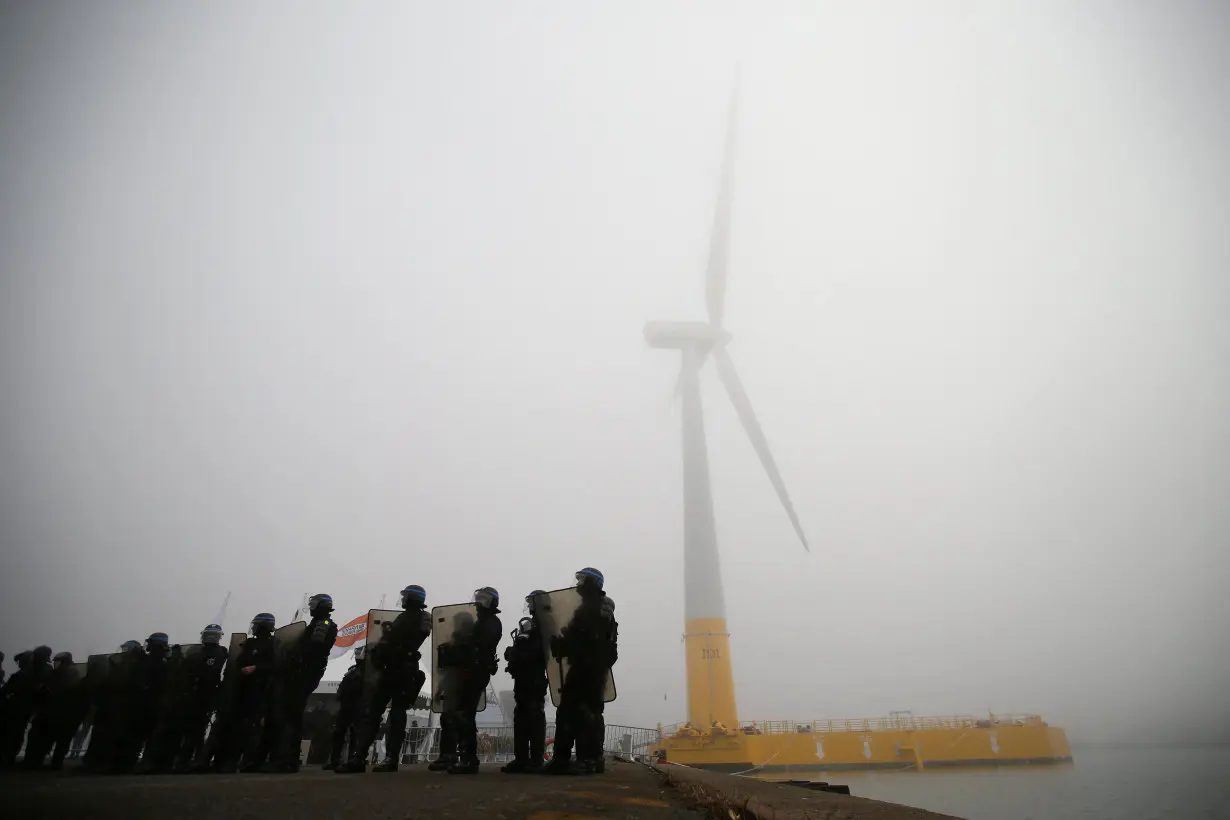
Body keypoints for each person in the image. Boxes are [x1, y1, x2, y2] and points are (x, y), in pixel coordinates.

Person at [336, 585, 430, 774]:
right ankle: (359, 756)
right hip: (391, 669)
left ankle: (390, 758)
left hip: (403, 670)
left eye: (405, 596)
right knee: (374, 714)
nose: (402, 599)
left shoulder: (421, 618)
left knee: (396, 715)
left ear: (413, 598)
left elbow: (407, 638)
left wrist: (388, 638)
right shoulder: (404, 617)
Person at [545, 568, 616, 775]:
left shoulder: (600, 608)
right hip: (580, 667)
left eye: (582, 580)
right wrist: (561, 644)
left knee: (587, 712)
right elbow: (576, 637)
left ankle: (589, 759)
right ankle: (562, 758)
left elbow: (589, 638)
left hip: (591, 670)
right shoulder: (584, 609)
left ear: (593, 583)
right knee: (568, 711)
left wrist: (567, 642)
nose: (578, 584)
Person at [261, 593, 337, 772]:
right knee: (290, 714)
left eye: (313, 604)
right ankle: (286, 758)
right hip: (303, 672)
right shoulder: (317, 624)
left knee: (291, 715)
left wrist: (294, 657)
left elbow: (313, 649)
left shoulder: (322, 624)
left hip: (304, 673)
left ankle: (287, 760)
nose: (311, 607)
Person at [205, 613, 275, 772]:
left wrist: (256, 668)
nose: (254, 628)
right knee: (233, 726)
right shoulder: (249, 643)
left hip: (258, 691)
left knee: (252, 728)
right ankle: (226, 761)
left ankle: (248, 762)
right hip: (240, 689)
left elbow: (275, 666)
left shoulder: (272, 645)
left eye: (257, 625)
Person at [443, 587, 501, 775]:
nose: (478, 602)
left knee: (466, 715)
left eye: (483, 599)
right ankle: (466, 757)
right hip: (471, 670)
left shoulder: (491, 622)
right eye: (478, 598)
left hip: (477, 671)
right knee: (463, 714)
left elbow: (481, 645)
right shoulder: (483, 622)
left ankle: (469, 759)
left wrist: (464, 645)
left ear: (492, 601)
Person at [502, 591, 548, 773]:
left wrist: (515, 653)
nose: (529, 606)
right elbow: (523, 649)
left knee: (534, 719)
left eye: (532, 602)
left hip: (534, 679)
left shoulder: (545, 626)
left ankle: (536, 760)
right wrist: (512, 652)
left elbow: (535, 653)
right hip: (522, 679)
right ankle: (521, 759)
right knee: (521, 719)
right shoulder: (532, 625)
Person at [23, 651, 85, 770]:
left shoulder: (63, 675)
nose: (55, 663)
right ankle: (55, 764)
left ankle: (49, 764)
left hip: (59, 714)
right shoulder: (70, 674)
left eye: (57, 661)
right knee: (61, 742)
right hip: (63, 715)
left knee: (55, 741)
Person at [323, 645, 365, 770]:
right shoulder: (352, 670)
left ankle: (352, 760)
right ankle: (335, 759)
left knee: (355, 734)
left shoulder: (367, 672)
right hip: (346, 704)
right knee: (339, 733)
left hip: (358, 705)